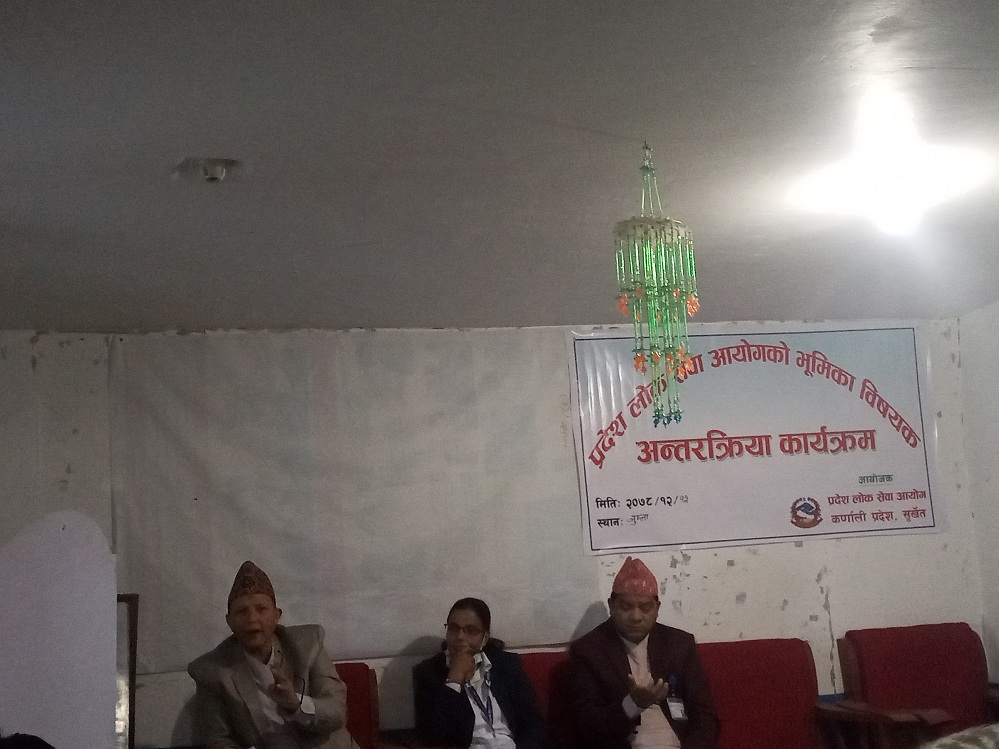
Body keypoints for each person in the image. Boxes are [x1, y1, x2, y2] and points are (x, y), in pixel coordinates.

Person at [187, 561, 355, 749]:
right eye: (241, 611)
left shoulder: (308, 645)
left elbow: (336, 712)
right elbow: (218, 739)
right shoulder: (211, 671)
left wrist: (296, 704)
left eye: (261, 609)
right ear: (229, 621)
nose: (252, 619)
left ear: (276, 615)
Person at [568, 557, 718, 749]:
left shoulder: (679, 644)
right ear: (611, 605)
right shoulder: (589, 651)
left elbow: (705, 716)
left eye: (645, 608)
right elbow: (588, 727)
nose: (636, 617)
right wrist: (633, 704)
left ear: (657, 608)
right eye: (626, 607)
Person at [412, 597, 546, 749]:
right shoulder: (428, 673)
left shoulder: (506, 665)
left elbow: (534, 725)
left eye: (471, 631)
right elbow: (433, 737)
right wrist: (454, 679)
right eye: (453, 628)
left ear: (485, 638)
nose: (460, 637)